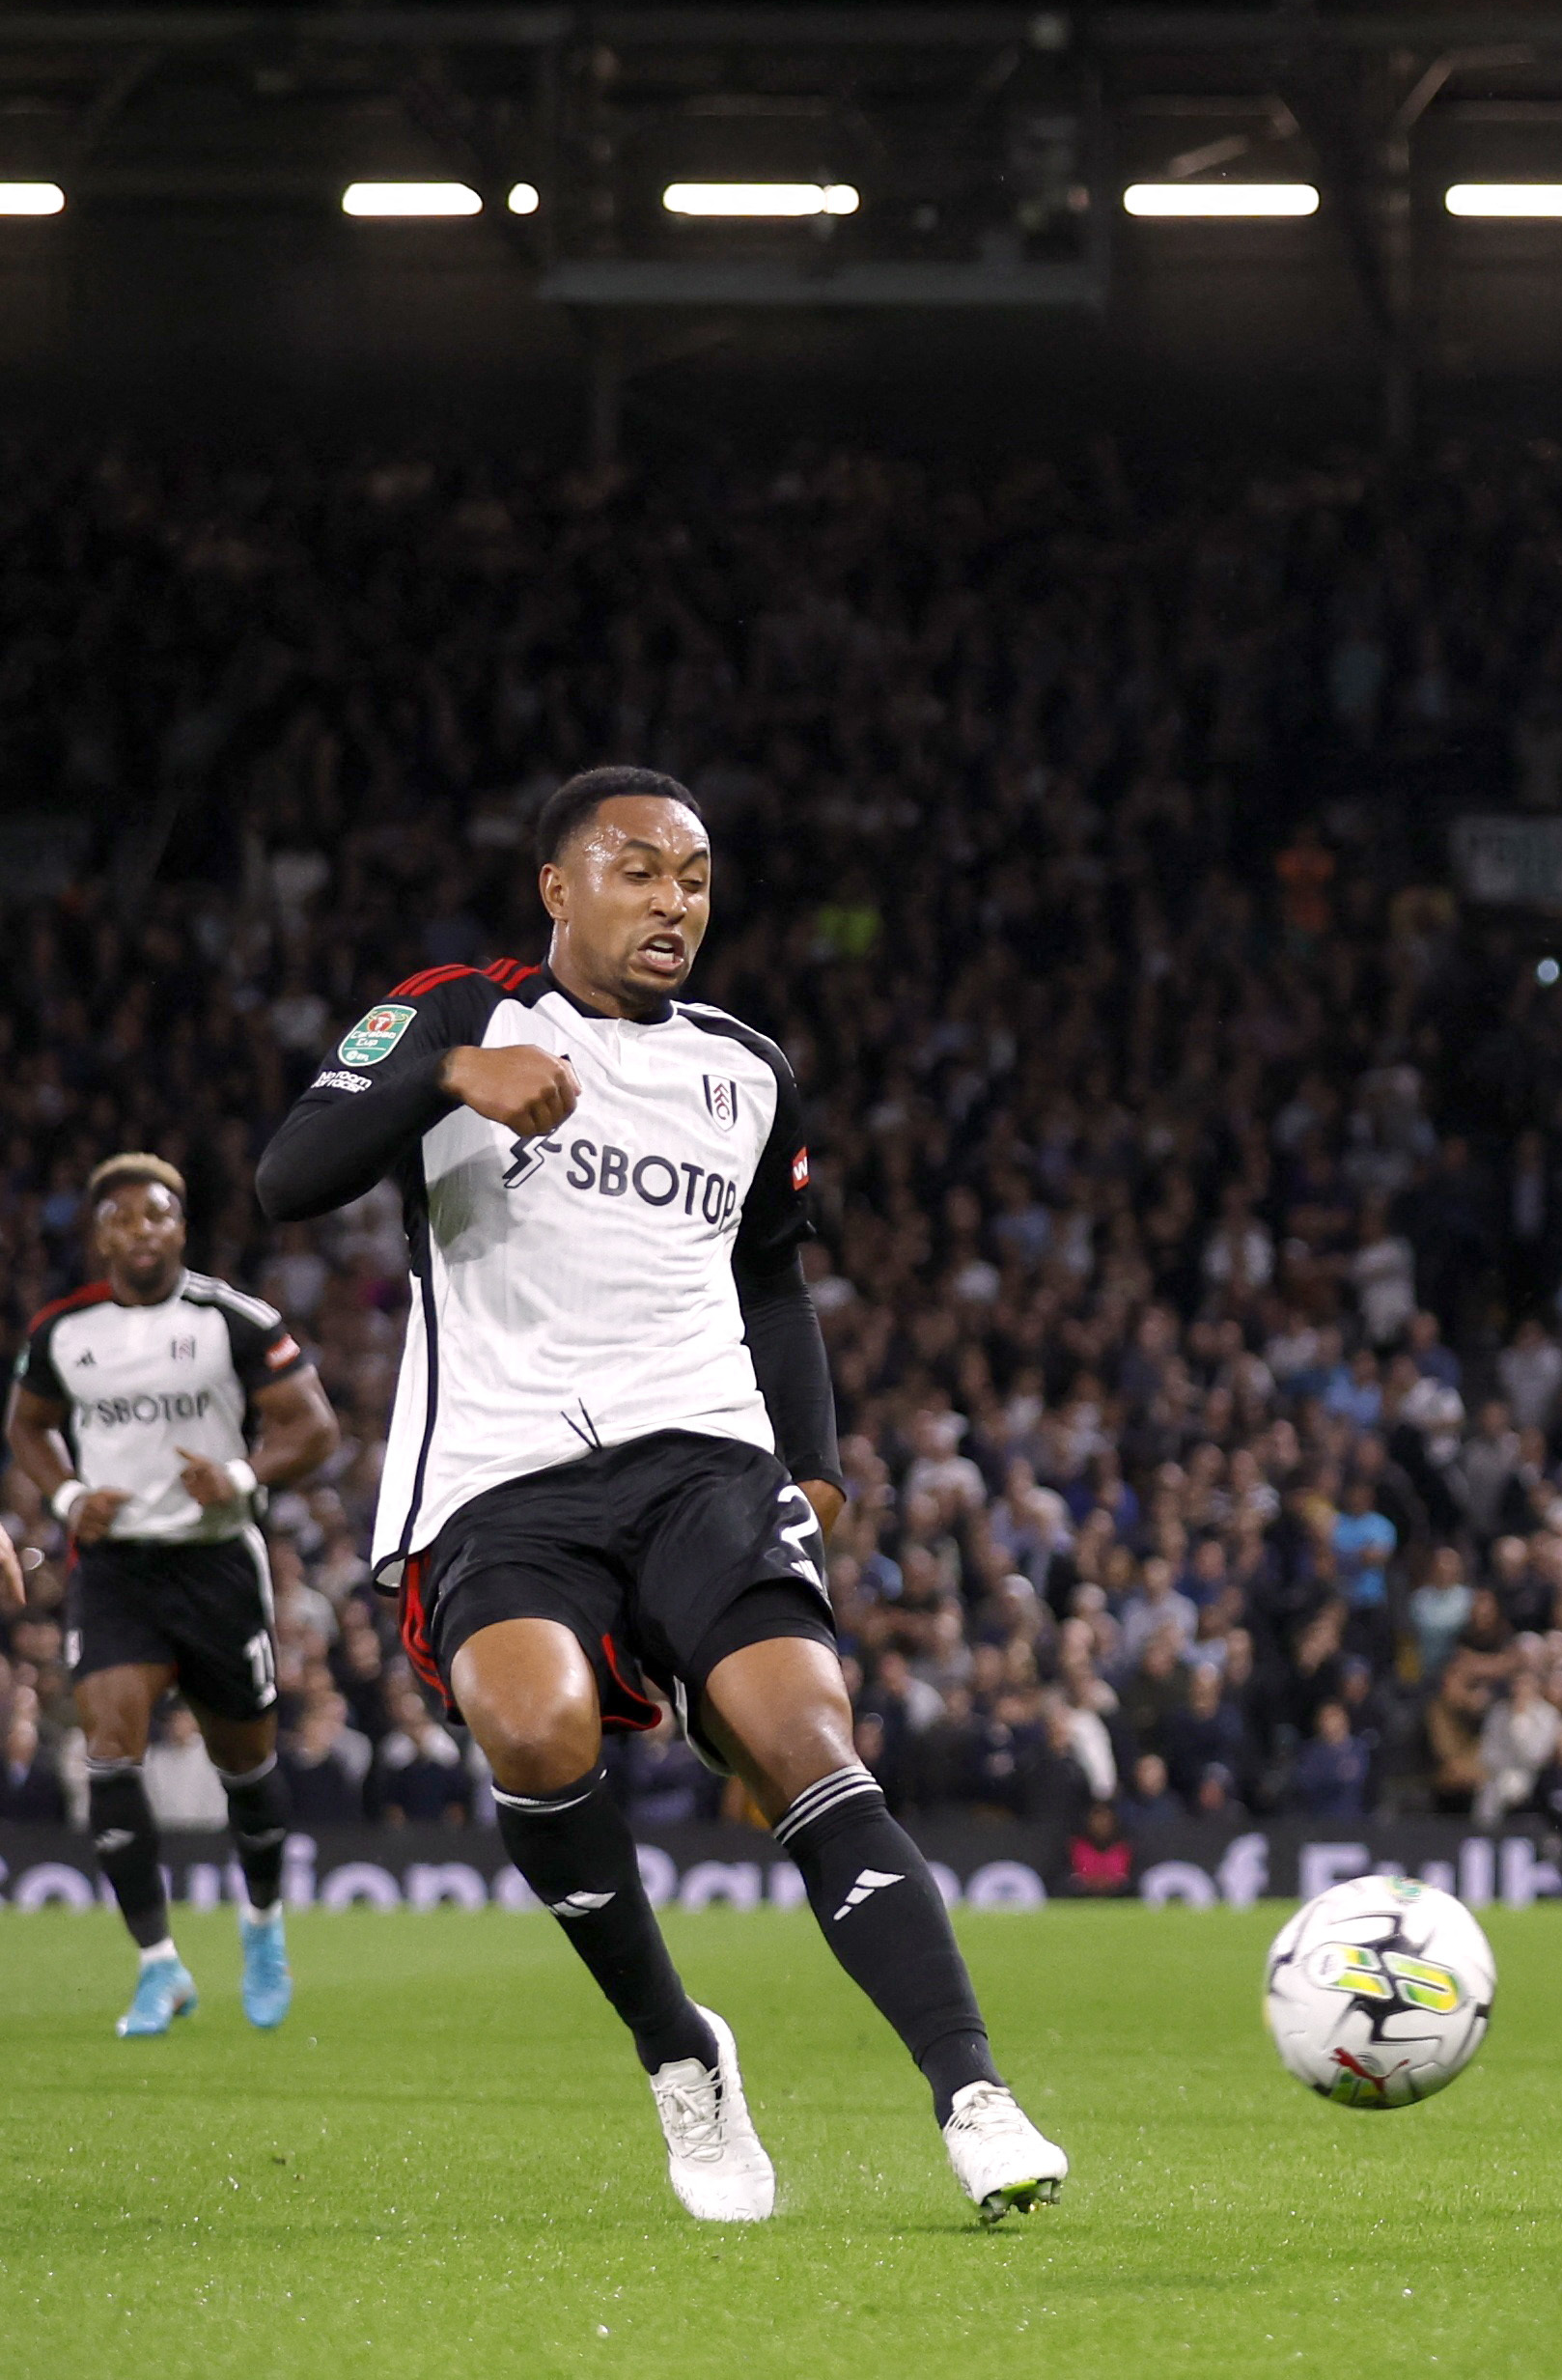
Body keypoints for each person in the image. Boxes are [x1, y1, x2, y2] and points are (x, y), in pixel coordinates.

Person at [253, 766, 1068, 2227]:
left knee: (803, 1740)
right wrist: (446, 1078)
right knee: (533, 1726)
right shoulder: (455, 1010)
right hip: (501, 1473)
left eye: (692, 877)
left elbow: (775, 1282)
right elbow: (286, 1177)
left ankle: (973, 2094)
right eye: (637, 870)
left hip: (704, 1457)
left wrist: (814, 1461)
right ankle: (680, 2049)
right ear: (558, 887)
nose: (673, 901)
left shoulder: (746, 1068)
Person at [9, 1153, 339, 2034]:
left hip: (217, 1563)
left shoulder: (233, 1318)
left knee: (246, 1765)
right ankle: (160, 1965)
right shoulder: (63, 1332)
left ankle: (262, 1927)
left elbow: (314, 1425)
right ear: (99, 1237)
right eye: (121, 1218)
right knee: (111, 1751)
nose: (139, 1229)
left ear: (180, 1227)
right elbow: (27, 1427)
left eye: (156, 1214)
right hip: (116, 1570)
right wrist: (68, 1498)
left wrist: (240, 1474)